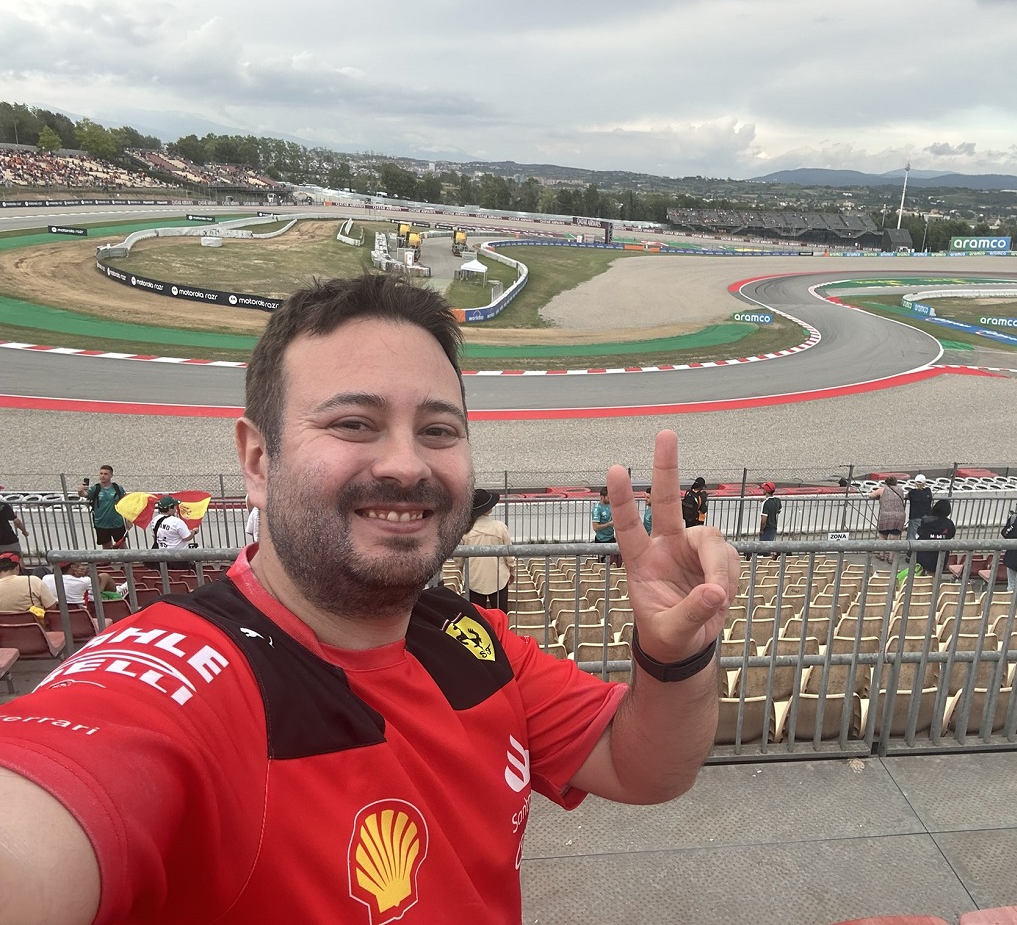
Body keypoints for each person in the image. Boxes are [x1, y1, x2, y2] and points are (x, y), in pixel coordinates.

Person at [0, 274, 740, 925]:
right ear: (258, 461)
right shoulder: (181, 675)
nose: (405, 463)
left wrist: (676, 654)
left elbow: (647, 768)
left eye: (438, 430)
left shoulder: (468, 636)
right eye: (354, 423)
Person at [460, 488, 515, 613]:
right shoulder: (499, 527)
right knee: (500, 615)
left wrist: (463, 571)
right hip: (498, 578)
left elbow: (459, 560)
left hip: (474, 579)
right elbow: (509, 554)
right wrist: (512, 570)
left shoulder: (466, 530)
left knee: (477, 616)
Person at [77, 465, 129, 549]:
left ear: (111, 475)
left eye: (105, 474)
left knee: (122, 545)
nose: (102, 476)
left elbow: (125, 504)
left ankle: (126, 562)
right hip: (101, 524)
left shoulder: (118, 488)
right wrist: (80, 491)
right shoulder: (95, 488)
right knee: (106, 547)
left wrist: (128, 520)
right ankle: (107, 562)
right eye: (101, 473)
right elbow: (85, 494)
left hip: (117, 523)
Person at [42, 561, 122, 607]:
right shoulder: (83, 581)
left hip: (57, 616)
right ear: (73, 567)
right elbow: (98, 580)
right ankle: (118, 592)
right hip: (81, 617)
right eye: (79, 565)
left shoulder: (46, 578)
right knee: (105, 576)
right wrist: (87, 572)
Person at [0, 551, 56, 615]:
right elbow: (52, 606)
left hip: (4, 624)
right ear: (17, 567)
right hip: (34, 624)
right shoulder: (32, 581)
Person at [914, 498, 956, 576]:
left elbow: (919, 533)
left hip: (924, 551)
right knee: (934, 575)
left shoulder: (926, 521)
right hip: (940, 554)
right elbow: (951, 534)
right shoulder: (949, 523)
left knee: (920, 572)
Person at [868, 477, 906, 560]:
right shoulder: (900, 490)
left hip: (886, 516)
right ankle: (891, 558)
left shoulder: (882, 490)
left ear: (886, 483)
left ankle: (881, 554)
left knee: (882, 535)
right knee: (894, 538)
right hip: (899, 516)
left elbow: (871, 495)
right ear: (896, 482)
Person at [904, 474, 933, 540]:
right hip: (927, 517)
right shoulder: (928, 491)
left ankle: (911, 549)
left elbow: (907, 496)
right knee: (924, 534)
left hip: (915, 516)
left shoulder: (912, 492)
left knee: (912, 536)